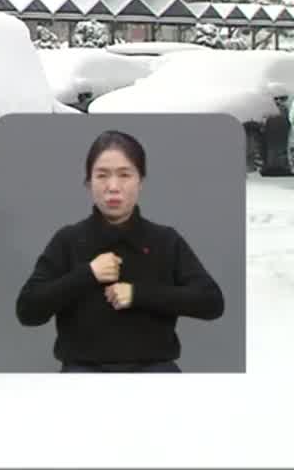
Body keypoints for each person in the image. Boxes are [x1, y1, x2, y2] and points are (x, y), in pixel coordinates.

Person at [15, 129, 224, 372]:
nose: (113, 187)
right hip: (83, 375)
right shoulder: (68, 240)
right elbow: (28, 310)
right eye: (102, 176)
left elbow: (211, 302)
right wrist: (87, 275)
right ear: (88, 182)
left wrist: (139, 294)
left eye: (125, 175)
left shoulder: (165, 240)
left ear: (140, 181)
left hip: (155, 372)